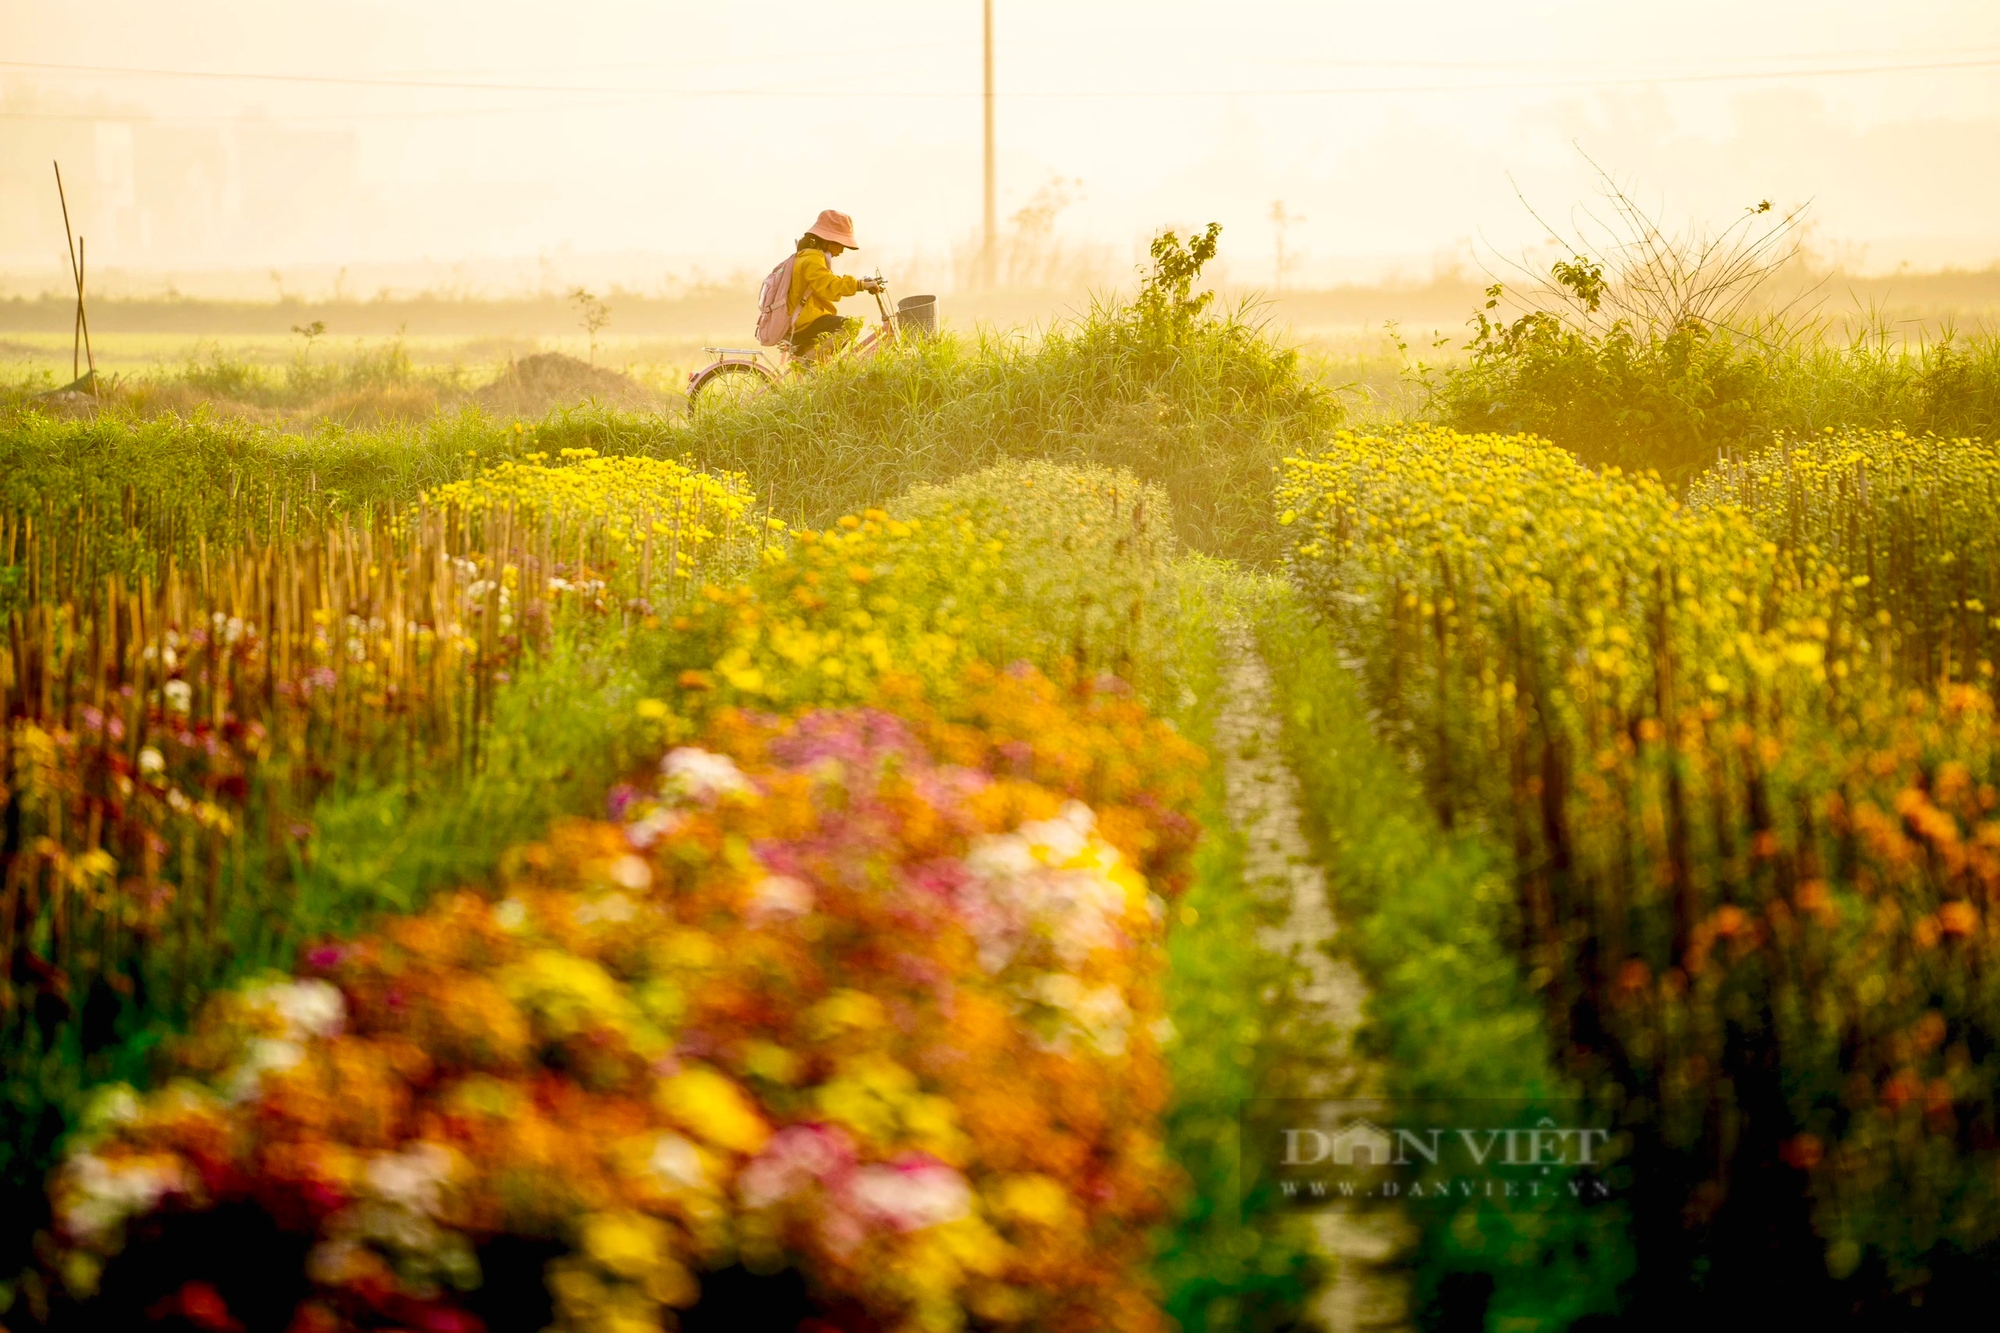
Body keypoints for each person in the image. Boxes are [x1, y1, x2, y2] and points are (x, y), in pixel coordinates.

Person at [787, 210, 883, 358]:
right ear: (828, 240)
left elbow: (825, 282)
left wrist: (860, 283)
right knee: (849, 327)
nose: (842, 251)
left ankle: (811, 365)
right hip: (804, 322)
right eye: (841, 245)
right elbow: (830, 285)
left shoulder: (808, 256)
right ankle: (809, 362)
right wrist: (860, 285)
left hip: (804, 319)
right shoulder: (812, 259)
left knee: (824, 359)